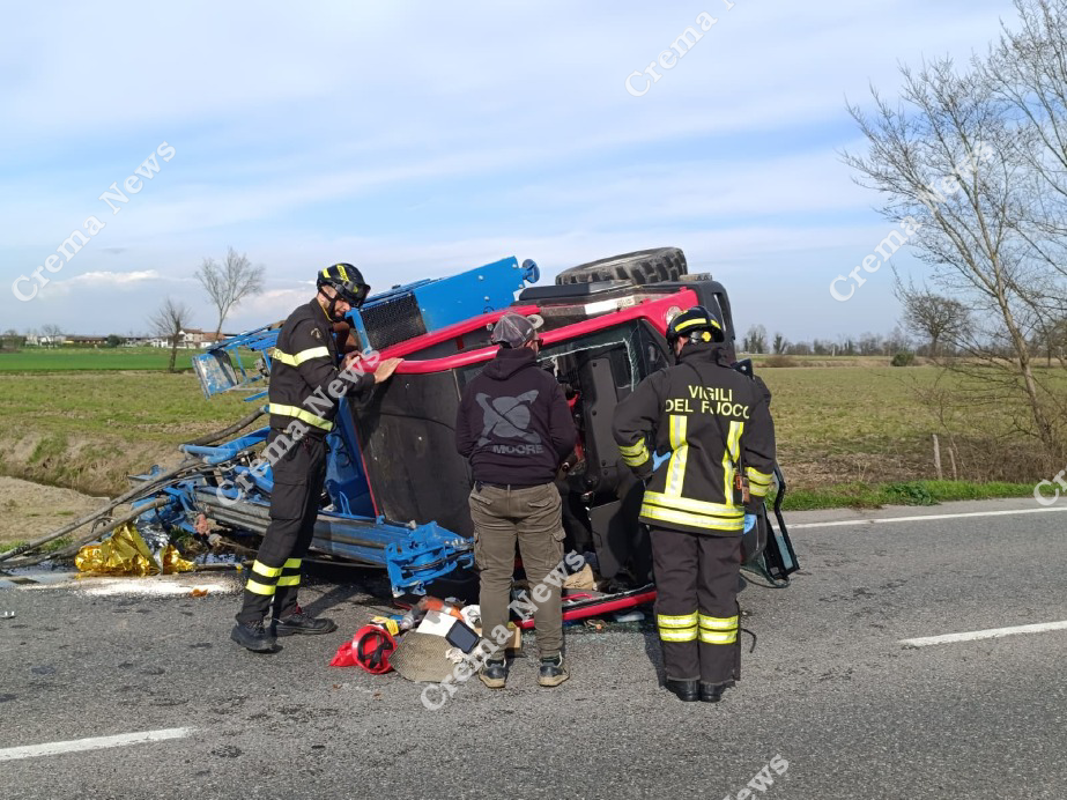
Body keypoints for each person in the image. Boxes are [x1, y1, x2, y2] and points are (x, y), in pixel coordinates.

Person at [231, 263, 402, 652]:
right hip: (294, 443)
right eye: (344, 300)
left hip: (310, 442)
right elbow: (326, 384)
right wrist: (374, 377)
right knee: (284, 529)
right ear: (326, 291)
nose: (347, 309)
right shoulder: (307, 324)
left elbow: (324, 373)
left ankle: (287, 613)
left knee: (302, 531)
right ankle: (249, 618)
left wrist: (345, 362)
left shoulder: (321, 327)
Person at [612, 306, 776, 702]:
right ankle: (715, 683)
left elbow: (623, 426)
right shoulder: (747, 390)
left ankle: (683, 681)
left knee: (676, 598)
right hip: (722, 517)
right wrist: (749, 500)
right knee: (718, 596)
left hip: (669, 514)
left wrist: (643, 469)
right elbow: (761, 459)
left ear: (681, 341)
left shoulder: (664, 381)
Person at [455, 311, 577, 689]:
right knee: (544, 578)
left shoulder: (475, 387)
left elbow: (462, 443)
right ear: (530, 343)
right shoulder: (546, 384)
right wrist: (544, 462)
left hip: (489, 494)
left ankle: (493, 666)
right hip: (537, 493)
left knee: (493, 579)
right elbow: (565, 439)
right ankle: (550, 665)